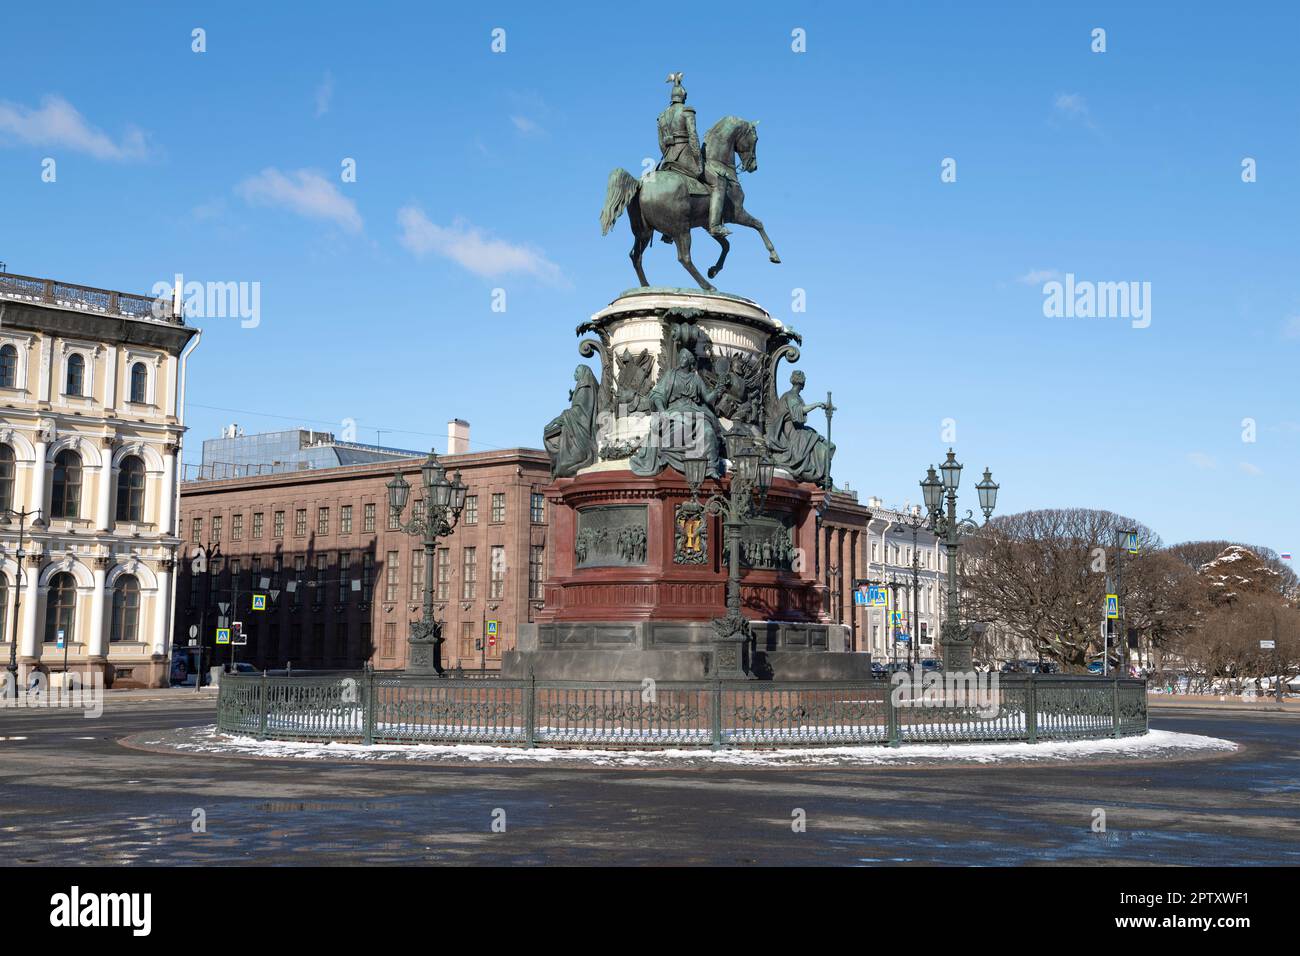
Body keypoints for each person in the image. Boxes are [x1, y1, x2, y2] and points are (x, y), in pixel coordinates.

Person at [657, 74, 730, 238]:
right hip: (685, 156)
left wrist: (668, 155)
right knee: (719, 182)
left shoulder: (661, 116)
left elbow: (661, 143)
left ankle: (667, 233)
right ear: (683, 97)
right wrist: (697, 159)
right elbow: (693, 136)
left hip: (667, 160)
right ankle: (716, 225)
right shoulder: (687, 111)